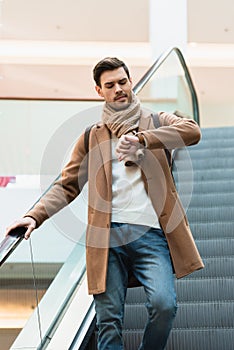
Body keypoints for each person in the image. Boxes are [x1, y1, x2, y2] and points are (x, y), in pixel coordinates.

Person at [6, 57, 204, 350]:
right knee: (108, 321)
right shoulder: (91, 137)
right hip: (107, 239)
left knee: (164, 305)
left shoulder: (157, 121)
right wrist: (34, 216)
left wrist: (142, 140)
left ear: (130, 81)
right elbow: (66, 185)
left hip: (151, 235)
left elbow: (192, 131)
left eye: (122, 82)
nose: (118, 89)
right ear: (99, 91)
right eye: (110, 85)